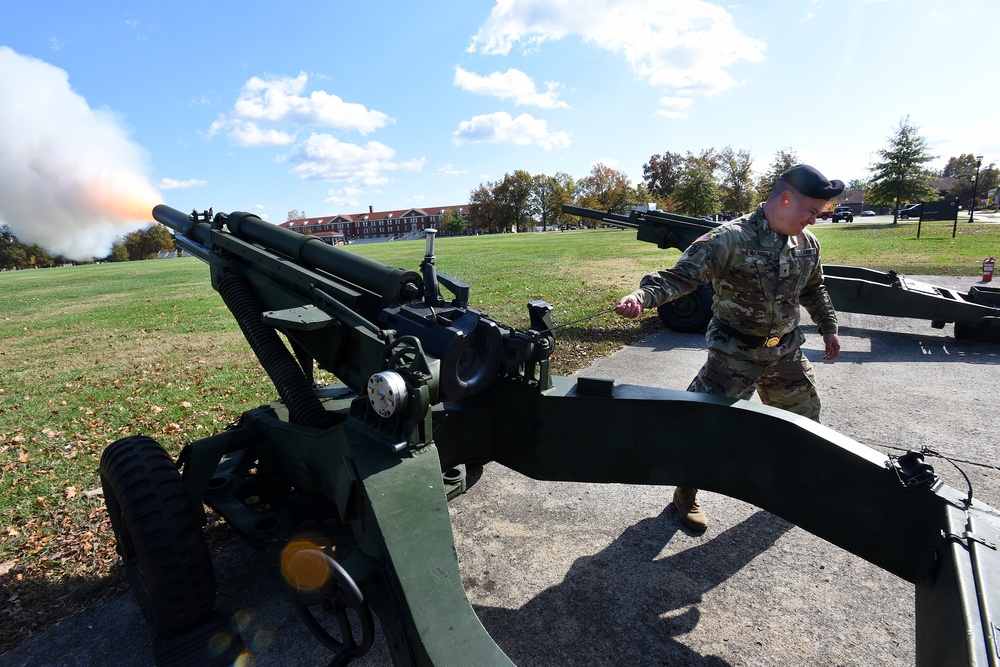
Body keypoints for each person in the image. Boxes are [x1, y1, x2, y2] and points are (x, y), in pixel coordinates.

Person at [615, 164, 843, 532]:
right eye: (812, 211)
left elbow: (814, 289)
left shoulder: (807, 244)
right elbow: (680, 277)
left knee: (805, 424)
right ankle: (685, 493)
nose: (815, 220)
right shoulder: (728, 239)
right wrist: (642, 296)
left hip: (785, 354)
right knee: (707, 429)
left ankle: (794, 486)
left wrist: (828, 328)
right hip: (734, 357)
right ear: (785, 199)